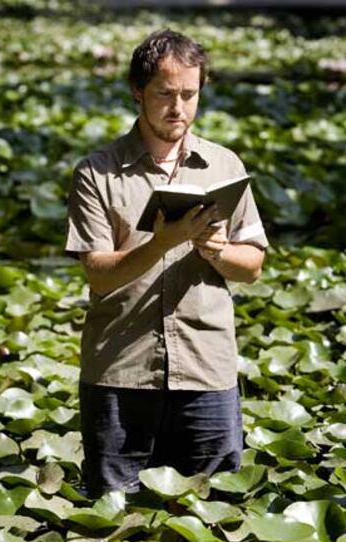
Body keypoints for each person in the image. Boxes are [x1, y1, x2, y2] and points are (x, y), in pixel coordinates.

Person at [66, 29, 268, 498]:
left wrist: (215, 249)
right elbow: (98, 275)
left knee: (215, 514)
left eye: (190, 94)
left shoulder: (224, 166)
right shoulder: (96, 172)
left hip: (206, 371)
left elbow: (252, 266)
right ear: (137, 91)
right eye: (165, 94)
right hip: (120, 373)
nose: (178, 108)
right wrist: (162, 243)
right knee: (117, 521)